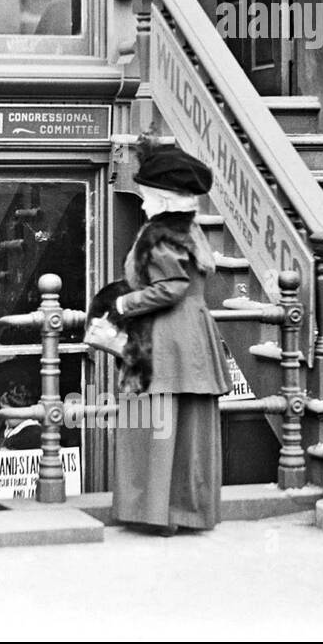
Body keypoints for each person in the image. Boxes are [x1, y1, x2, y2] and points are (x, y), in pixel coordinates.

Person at [108, 136, 231, 536]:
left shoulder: (156, 234)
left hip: (163, 336)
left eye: (146, 195)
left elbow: (171, 286)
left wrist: (125, 305)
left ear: (161, 197)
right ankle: (185, 510)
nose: (142, 203)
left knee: (153, 423)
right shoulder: (189, 230)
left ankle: (154, 513)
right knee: (188, 429)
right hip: (193, 332)